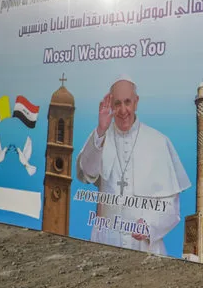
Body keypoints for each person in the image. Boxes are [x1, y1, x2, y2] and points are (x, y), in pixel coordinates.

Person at [76, 74, 192, 255]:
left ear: (136, 102)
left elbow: (172, 207)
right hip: (105, 241)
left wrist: (148, 225)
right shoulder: (100, 136)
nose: (123, 110)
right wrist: (100, 130)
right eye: (117, 104)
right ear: (111, 105)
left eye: (127, 102)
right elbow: (87, 172)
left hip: (145, 246)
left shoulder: (158, 142)